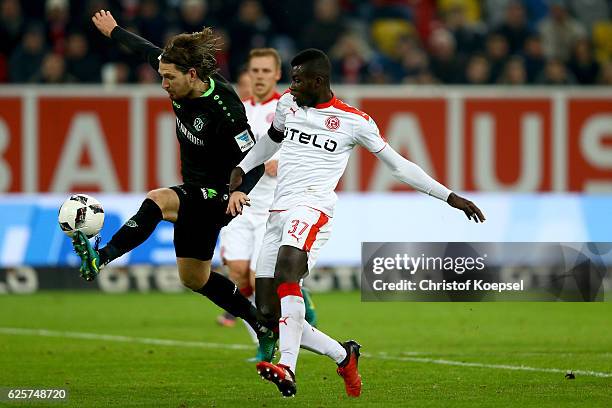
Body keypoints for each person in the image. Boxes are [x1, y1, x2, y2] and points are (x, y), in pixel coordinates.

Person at [228, 49, 485, 398]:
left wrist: (449, 196)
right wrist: (243, 168)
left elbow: (398, 166)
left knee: (289, 271)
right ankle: (343, 354)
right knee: (269, 315)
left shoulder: (353, 121)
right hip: (278, 211)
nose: (292, 85)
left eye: (299, 79)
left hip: (313, 208)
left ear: (318, 81)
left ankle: (287, 367)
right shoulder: (288, 104)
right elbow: (271, 140)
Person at [71, 10, 274, 348]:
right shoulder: (174, 73)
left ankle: (101, 257)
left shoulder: (225, 109)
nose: (164, 85)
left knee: (159, 199)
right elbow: (145, 49)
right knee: (194, 278)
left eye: (169, 79)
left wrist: (241, 193)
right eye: (161, 77)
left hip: (218, 194)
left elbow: (253, 159)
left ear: (191, 74)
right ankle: (260, 322)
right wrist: (115, 30)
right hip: (195, 187)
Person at [217, 49, 318, 350]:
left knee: (258, 277)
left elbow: (304, 149)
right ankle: (264, 331)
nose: (259, 76)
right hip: (239, 205)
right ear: (248, 74)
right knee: (237, 275)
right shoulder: (237, 110)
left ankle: (268, 338)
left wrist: (280, 161)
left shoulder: (290, 108)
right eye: (254, 71)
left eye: (265, 71)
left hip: (273, 209)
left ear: (276, 75)